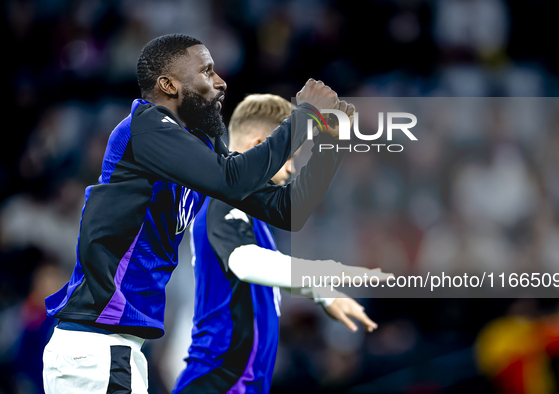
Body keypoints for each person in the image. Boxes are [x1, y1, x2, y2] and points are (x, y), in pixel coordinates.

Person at [42, 33, 349, 394]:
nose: (220, 82)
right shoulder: (145, 127)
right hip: (95, 348)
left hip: (115, 350)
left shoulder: (194, 153)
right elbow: (232, 179)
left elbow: (288, 210)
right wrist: (302, 116)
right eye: (206, 71)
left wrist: (330, 142)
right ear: (168, 84)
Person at [173, 94, 389, 394]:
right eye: (288, 157)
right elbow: (244, 261)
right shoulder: (222, 202)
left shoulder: (257, 209)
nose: (291, 170)